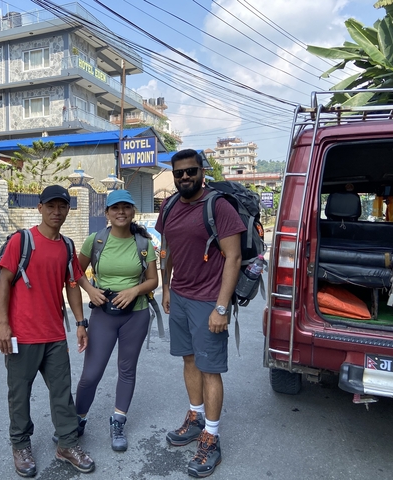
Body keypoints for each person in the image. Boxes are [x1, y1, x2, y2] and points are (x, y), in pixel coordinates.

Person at [155, 149, 244, 478]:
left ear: (201, 171)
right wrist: (166, 287)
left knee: (209, 369)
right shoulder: (169, 207)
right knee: (189, 359)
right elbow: (168, 248)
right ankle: (195, 418)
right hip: (179, 295)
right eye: (179, 173)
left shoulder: (217, 206)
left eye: (190, 171)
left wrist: (221, 307)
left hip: (209, 299)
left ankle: (212, 436)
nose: (184, 178)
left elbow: (232, 258)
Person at [0, 185, 95, 477]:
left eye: (62, 206)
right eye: (50, 206)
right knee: (19, 394)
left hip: (54, 335)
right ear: (39, 208)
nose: (56, 212)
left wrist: (79, 322)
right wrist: (3, 324)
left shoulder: (66, 246)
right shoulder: (22, 241)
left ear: (67, 210)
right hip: (21, 336)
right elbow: (4, 281)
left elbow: (72, 284)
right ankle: (20, 444)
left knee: (62, 393)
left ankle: (67, 444)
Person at [75, 189, 159, 452]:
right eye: (115, 208)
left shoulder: (144, 244)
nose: (121, 212)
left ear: (133, 211)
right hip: (103, 314)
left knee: (127, 369)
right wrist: (90, 290)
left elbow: (153, 280)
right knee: (91, 374)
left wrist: (135, 290)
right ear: (107, 213)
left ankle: (118, 420)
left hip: (136, 313)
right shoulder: (96, 240)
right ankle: (77, 420)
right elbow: (76, 272)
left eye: (126, 207)